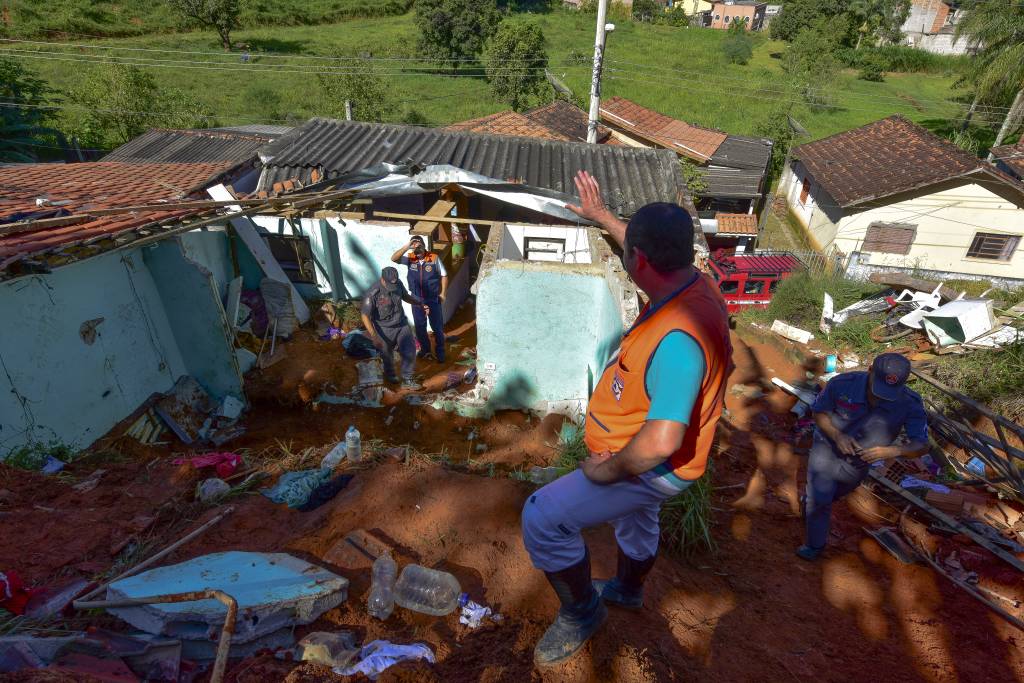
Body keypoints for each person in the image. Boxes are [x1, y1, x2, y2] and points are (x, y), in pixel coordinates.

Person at [520, 171, 733, 667]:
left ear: (639, 260)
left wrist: (606, 469)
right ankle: (628, 589)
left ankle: (581, 613)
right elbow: (641, 249)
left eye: (629, 249)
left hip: (649, 465)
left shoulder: (679, 342)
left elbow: (659, 442)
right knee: (637, 526)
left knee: (543, 518)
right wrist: (603, 218)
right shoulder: (695, 287)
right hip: (660, 464)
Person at [798, 352, 929, 561]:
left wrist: (892, 451)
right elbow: (819, 413)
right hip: (828, 445)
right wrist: (837, 435)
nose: (878, 397)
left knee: (838, 491)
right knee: (820, 495)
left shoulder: (910, 402)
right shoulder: (842, 383)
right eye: (877, 390)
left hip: (860, 461)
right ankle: (815, 545)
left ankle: (812, 502)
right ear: (869, 371)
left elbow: (921, 444)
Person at [360, 267, 430, 390]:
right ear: (382, 279)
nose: (392, 287)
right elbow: (365, 315)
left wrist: (419, 303)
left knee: (409, 350)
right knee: (387, 355)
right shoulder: (372, 293)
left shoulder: (397, 284)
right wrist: (374, 336)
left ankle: (407, 379)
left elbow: (405, 296)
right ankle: (390, 374)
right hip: (384, 329)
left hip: (401, 324)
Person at [391, 236, 448, 362]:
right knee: (420, 327)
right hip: (416, 299)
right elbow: (394, 258)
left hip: (432, 298)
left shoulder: (434, 258)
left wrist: (443, 293)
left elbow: (444, 275)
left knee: (437, 327)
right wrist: (408, 246)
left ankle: (440, 351)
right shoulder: (411, 258)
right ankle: (425, 350)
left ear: (424, 245)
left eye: (420, 246)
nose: (418, 250)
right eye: (415, 247)